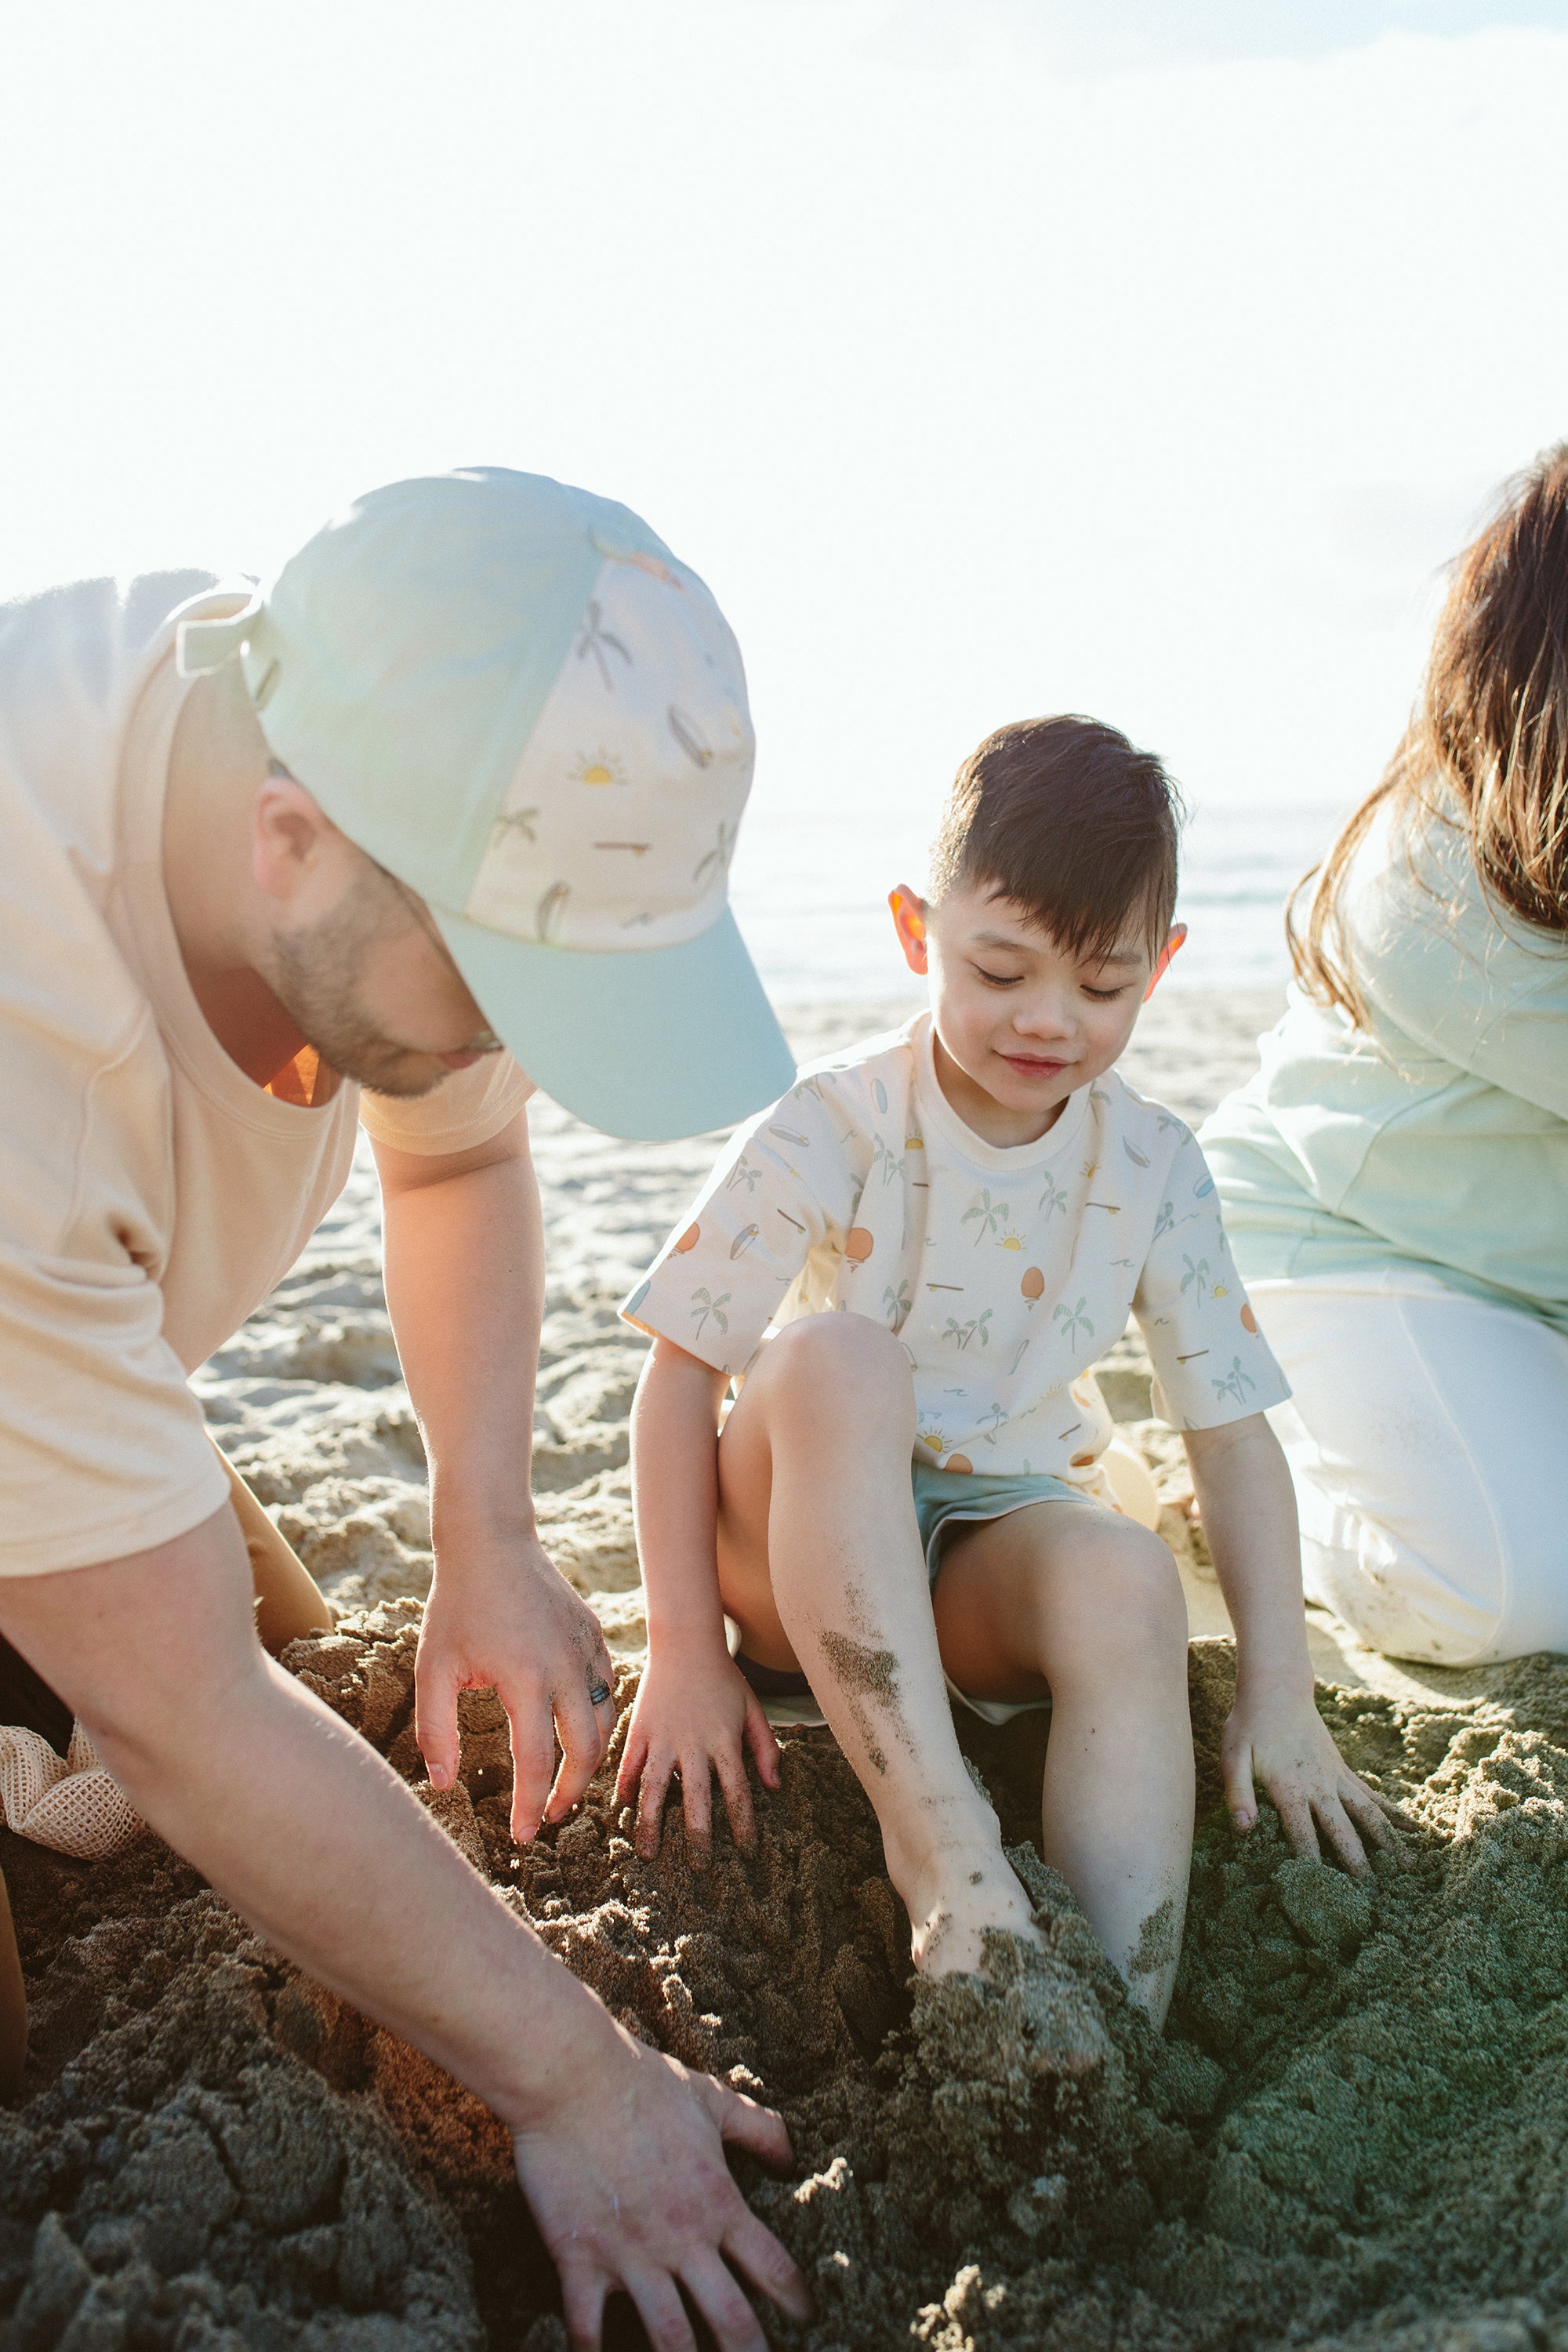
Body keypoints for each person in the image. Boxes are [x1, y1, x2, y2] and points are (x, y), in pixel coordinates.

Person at [0, 469, 812, 2352]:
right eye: (500, 989)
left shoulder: (325, 710)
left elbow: (452, 1171)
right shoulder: (32, 1071)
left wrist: (486, 1532)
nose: (504, 1052)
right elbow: (187, 1715)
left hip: (50, 1353)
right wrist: (579, 2083)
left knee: (317, 1687)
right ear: (286, 845)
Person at [615, 717, 1393, 2028]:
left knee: (1128, 1573)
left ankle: (1107, 2014)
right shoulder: (839, 1119)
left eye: (1102, 988)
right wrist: (683, 1645)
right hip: (792, 1547)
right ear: (920, 934)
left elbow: (1235, 1436)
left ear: (1163, 969)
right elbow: (680, 1374)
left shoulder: (1152, 1165)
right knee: (840, 1360)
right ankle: (945, 1849)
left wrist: (1280, 1691)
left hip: (980, 1565)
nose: (1048, 1021)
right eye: (999, 970)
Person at [1200, 445, 1568, 1669]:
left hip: (1537, 1292)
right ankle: (1251, 1485)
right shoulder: (1446, 875)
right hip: (1358, 1251)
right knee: (1495, 1595)